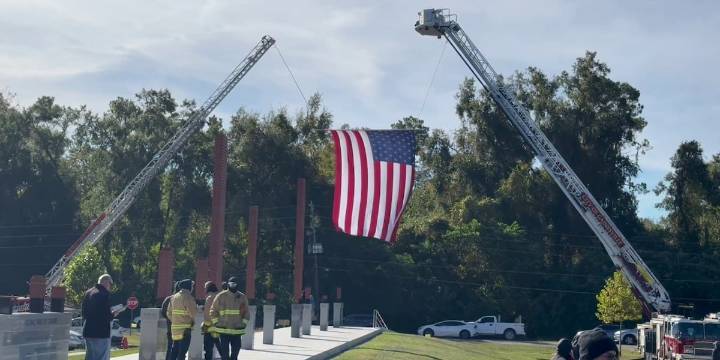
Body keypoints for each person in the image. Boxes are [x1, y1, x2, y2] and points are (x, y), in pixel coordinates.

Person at [210, 276, 249, 360]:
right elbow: (213, 310)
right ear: (228, 284)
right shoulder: (221, 296)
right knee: (225, 355)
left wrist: (244, 323)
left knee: (235, 353)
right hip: (223, 330)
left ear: (237, 284)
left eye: (234, 284)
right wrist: (216, 322)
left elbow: (246, 312)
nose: (233, 285)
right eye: (231, 284)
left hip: (237, 330)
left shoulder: (242, 297)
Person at [82, 274, 120, 360]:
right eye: (110, 284)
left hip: (88, 331)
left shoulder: (88, 292)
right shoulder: (104, 294)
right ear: (106, 282)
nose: (110, 286)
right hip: (100, 333)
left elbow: (84, 313)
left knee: (90, 357)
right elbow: (106, 316)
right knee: (101, 357)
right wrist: (113, 314)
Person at [167, 279, 197, 360]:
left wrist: (176, 320)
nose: (193, 288)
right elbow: (193, 313)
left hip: (175, 330)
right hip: (185, 330)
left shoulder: (174, 297)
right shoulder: (188, 297)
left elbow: (168, 313)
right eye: (192, 286)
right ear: (188, 286)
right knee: (182, 353)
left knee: (174, 351)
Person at [203, 281, 221, 360]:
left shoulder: (209, 298)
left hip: (210, 326)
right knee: (220, 346)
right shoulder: (220, 296)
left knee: (208, 348)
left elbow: (207, 313)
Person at [161, 281, 179, 360]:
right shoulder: (185, 299)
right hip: (181, 329)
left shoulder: (168, 299)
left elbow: (163, 312)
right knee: (180, 350)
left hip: (170, 328)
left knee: (170, 347)